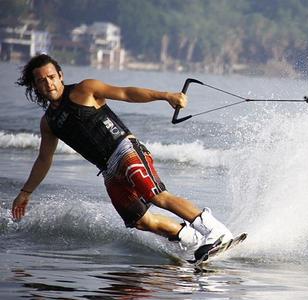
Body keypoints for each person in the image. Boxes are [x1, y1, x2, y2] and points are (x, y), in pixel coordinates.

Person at [11, 54, 233, 258]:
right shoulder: (49, 123)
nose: (48, 83)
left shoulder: (85, 89)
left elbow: (127, 93)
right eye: (41, 81)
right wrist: (25, 192)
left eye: (51, 77)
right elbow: (44, 159)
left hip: (125, 149)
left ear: (60, 75)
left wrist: (166, 96)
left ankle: (215, 230)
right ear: (36, 86)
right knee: (141, 221)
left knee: (157, 195)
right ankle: (194, 241)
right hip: (109, 170)